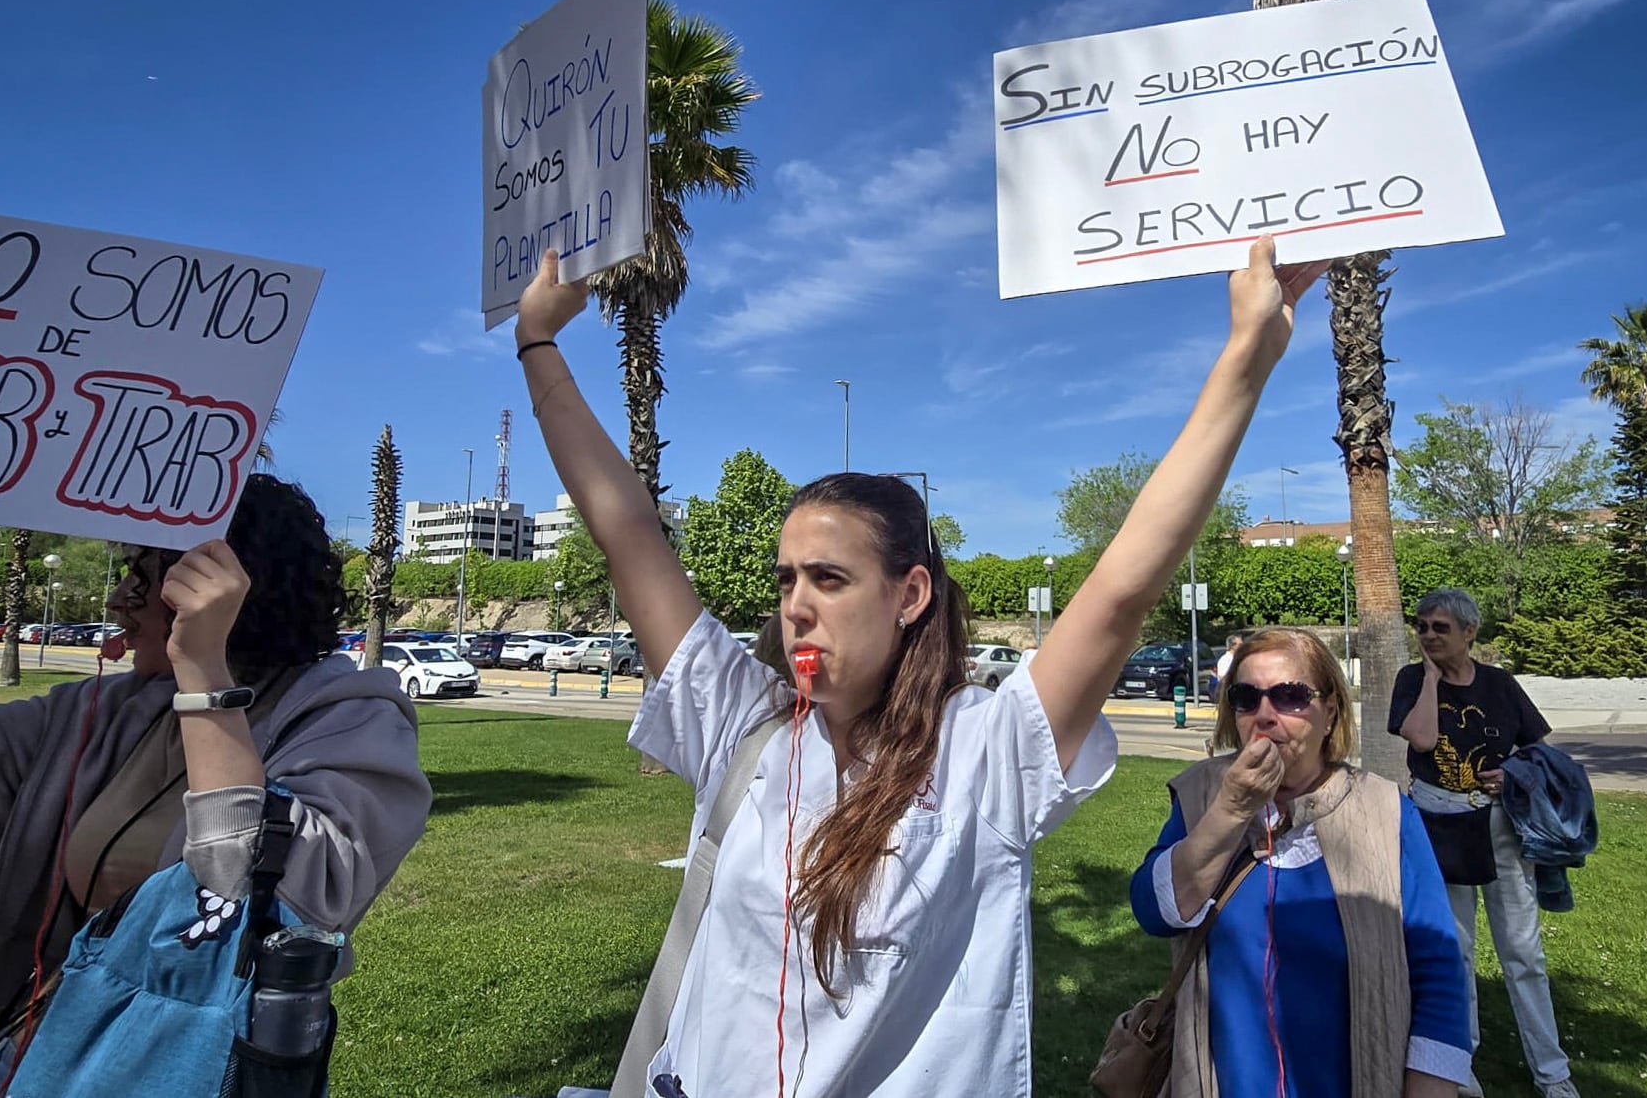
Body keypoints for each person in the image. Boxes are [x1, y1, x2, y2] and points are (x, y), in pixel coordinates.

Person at [511, 236, 1323, 1096]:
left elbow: (1123, 588)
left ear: (909, 594)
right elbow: (629, 531)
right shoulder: (739, 722)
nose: (797, 605)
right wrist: (538, 345)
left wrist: (1248, 354)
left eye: (830, 578)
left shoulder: (986, 752)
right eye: (786, 579)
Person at [0, 476, 433, 1055]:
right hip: (55, 1043)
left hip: (193, 1060)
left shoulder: (352, 716)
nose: (117, 599)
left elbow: (276, 898)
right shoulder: (120, 708)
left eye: (143, 575)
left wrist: (203, 675)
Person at [1129, 628, 1470, 1098]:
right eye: (1247, 697)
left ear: (1329, 712)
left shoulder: (1384, 809)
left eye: (1290, 696)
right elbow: (1153, 911)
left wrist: (1429, 1086)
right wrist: (1230, 810)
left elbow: (1437, 962)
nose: (1265, 715)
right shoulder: (1201, 793)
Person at [1388, 588, 1578, 1098]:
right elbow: (1422, 740)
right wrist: (1431, 678)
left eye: (1440, 628)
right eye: (1422, 626)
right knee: (1457, 951)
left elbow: (1539, 749)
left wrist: (1512, 772)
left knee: (1522, 951)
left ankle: (1551, 1071)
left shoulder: (1499, 684)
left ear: (1470, 633)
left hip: (1499, 827)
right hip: (1438, 823)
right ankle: (1459, 1061)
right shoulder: (1411, 679)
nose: (1427, 635)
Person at [1211, 633, 1243, 700]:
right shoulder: (1225, 660)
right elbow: (1223, 679)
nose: (1242, 647)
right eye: (1240, 645)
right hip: (1229, 695)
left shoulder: (1237, 659)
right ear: (1232, 646)